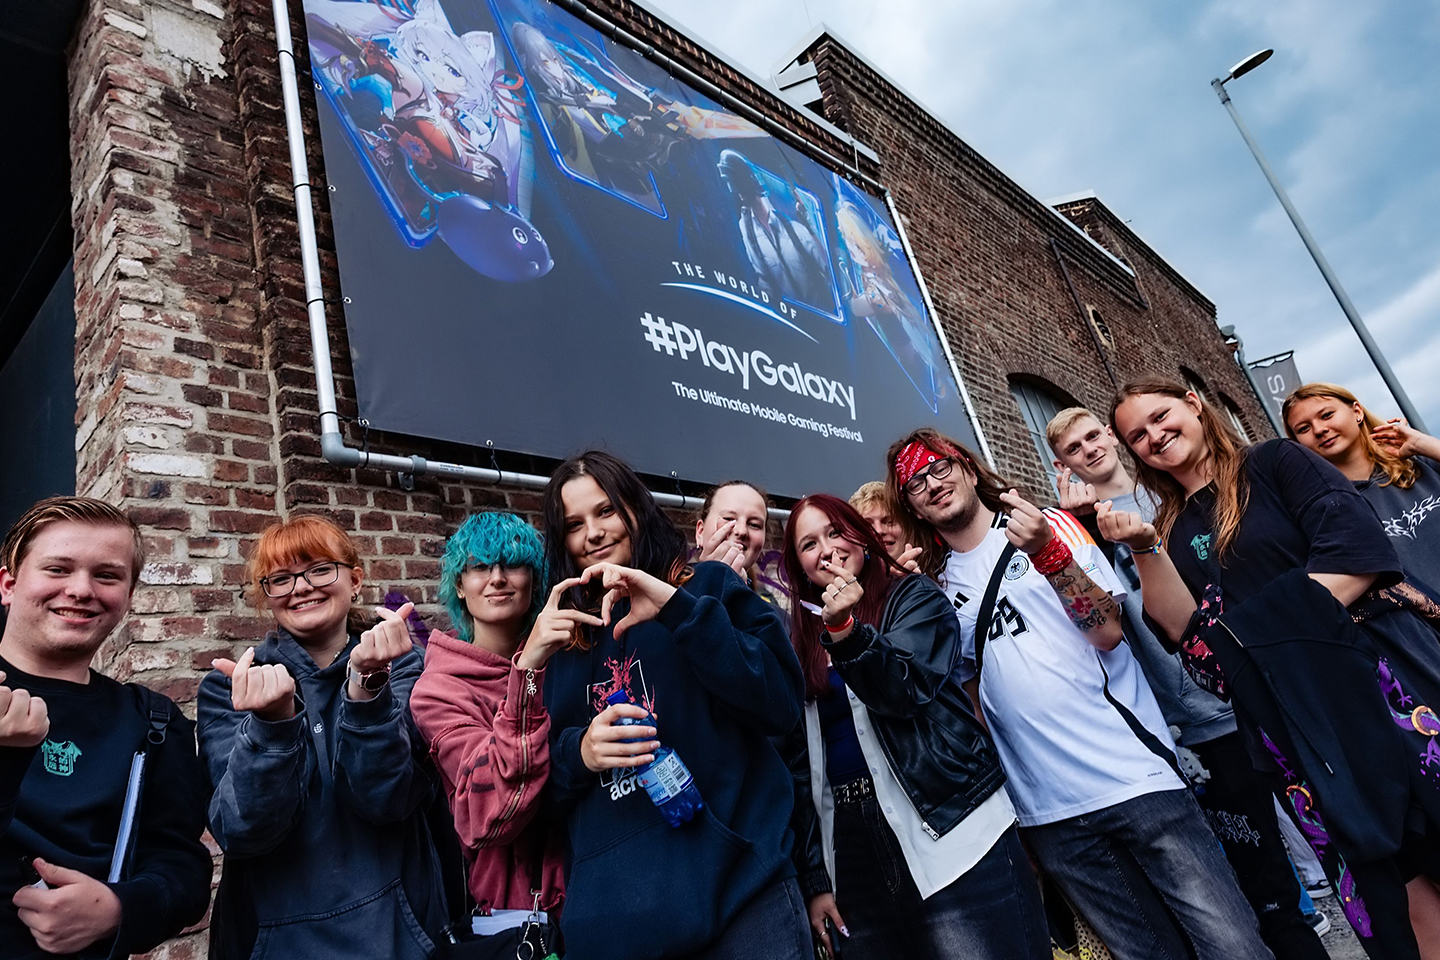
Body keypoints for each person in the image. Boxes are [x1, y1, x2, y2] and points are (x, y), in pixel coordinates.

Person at [884, 427, 1272, 960]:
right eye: (916, 484)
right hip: (1048, 813)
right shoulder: (938, 587)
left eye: (941, 468)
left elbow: (1107, 630)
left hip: (1135, 779)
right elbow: (972, 698)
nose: (932, 484)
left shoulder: (1050, 525)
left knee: (1233, 946)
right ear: (915, 510)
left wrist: (1046, 552)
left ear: (969, 470)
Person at [1102, 376, 1440, 960]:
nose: (1155, 436)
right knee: (1395, 889)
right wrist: (1144, 546)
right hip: (1295, 723)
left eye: (1161, 417)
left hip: (1379, 682)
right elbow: (1190, 639)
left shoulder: (1276, 460)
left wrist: (1261, 643)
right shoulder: (1175, 529)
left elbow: (1355, 551)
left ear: (1193, 405)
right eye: (1139, 434)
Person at [1046, 407, 1328, 956]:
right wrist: (1082, 533)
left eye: (1093, 437)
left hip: (1258, 691)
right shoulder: (1076, 527)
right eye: (1074, 450)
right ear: (1063, 465)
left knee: (1342, 841)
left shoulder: (1169, 494)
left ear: (1110, 436)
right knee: (1265, 882)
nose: (1089, 451)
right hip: (1196, 720)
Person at [539, 451, 807, 960]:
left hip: (743, 900)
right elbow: (536, 793)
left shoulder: (705, 587)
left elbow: (779, 704)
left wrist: (677, 610)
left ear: (636, 508)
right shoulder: (564, 640)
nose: (593, 533)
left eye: (606, 511)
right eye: (574, 524)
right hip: (618, 925)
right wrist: (582, 753)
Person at [780, 493, 1049, 959]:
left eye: (835, 531)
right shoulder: (799, 642)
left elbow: (902, 691)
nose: (826, 548)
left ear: (861, 537)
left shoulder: (914, 598)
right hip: (852, 850)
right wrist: (817, 878)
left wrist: (848, 632)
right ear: (800, 567)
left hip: (950, 826)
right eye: (808, 544)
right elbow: (801, 766)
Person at [198, 515, 447, 960]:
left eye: (318, 569)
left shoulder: (407, 666)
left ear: (355, 580)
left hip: (399, 935)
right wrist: (272, 726)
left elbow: (387, 799)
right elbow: (243, 830)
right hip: (280, 944)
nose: (301, 587)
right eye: (281, 578)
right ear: (266, 596)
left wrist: (367, 687)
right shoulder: (231, 687)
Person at [0, 497, 211, 960]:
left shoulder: (153, 720)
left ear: (128, 598)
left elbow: (182, 867)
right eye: (57, 569)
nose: (80, 589)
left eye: (107, 575)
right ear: (9, 584)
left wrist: (118, 909)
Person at [1284, 382, 1440, 955]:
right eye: (1303, 428)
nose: (1320, 429)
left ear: (1355, 410)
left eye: (1327, 414)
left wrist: (1422, 443)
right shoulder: (1328, 509)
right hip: (1420, 649)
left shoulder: (1415, 467)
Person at [409, 512, 571, 930]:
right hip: (516, 916)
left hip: (599, 890)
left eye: (513, 564)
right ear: (460, 587)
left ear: (534, 581)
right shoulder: (438, 690)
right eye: (480, 567)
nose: (497, 578)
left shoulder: (569, 660)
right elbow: (490, 812)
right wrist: (527, 674)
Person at [693, 480, 773, 592]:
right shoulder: (668, 595)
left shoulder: (768, 608)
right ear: (700, 532)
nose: (741, 531)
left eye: (754, 525)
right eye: (728, 519)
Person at [848, 481, 906, 563]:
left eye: (889, 522)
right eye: (867, 525)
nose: (879, 531)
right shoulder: (844, 574)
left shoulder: (929, 573)